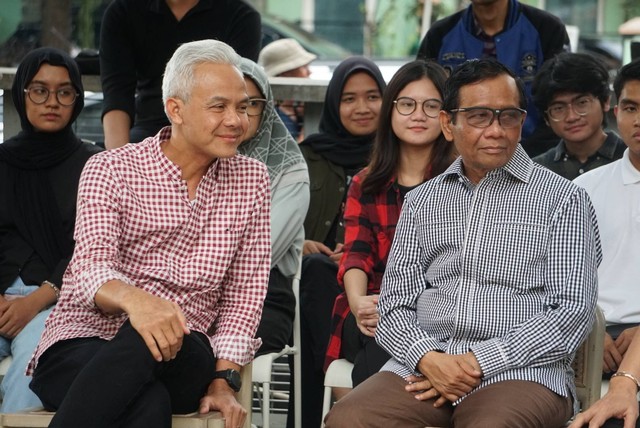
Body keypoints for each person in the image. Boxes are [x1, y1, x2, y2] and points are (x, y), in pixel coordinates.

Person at [324, 58, 601, 428]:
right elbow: (394, 304)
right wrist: (428, 358)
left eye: (508, 116)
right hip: (425, 365)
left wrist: (476, 362)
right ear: (448, 124)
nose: (496, 131)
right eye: (479, 117)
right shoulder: (423, 200)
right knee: (350, 419)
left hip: (521, 371)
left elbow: (571, 311)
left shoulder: (564, 199)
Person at [28, 40, 271, 428]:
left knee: (156, 336)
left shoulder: (252, 180)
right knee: (147, 403)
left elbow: (244, 297)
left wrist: (224, 381)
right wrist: (138, 303)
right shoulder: (110, 169)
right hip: (81, 343)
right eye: (219, 106)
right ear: (175, 109)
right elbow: (90, 266)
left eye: (243, 107)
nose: (236, 120)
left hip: (184, 356)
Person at [325, 60, 456, 389]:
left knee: (385, 349)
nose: (418, 115)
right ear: (391, 111)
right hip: (373, 308)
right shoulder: (366, 183)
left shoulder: (461, 181)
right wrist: (357, 303)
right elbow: (356, 253)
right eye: (407, 104)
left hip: (437, 312)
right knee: (379, 332)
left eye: (431, 106)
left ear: (447, 116)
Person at [0, 47, 103, 412]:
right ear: (21, 94)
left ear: (77, 99)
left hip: (60, 302)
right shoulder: (1, 161)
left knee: (33, 368)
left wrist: (38, 300)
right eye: (39, 90)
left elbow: (96, 249)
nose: (52, 102)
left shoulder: (96, 165)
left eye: (64, 91)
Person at [297, 56, 386, 428]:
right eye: (349, 98)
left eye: (372, 97)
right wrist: (298, 243)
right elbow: (279, 223)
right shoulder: (308, 156)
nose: (361, 108)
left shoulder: (400, 159)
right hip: (317, 277)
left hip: (378, 283)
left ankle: (338, 411)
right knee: (316, 269)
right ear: (334, 103)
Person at [99, 0, 261, 150]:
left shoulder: (240, 15)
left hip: (217, 125)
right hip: (149, 127)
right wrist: (118, 160)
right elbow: (117, 93)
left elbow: (240, 92)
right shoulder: (123, 11)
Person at [416, 0, 570, 156]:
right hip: (453, 156)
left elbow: (562, 102)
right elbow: (423, 99)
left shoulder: (547, 28)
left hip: (536, 155)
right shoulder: (440, 34)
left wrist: (523, 155)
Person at [572, 58, 640, 385]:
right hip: (590, 335)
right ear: (616, 113)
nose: (639, 120)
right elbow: (559, 279)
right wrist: (589, 333)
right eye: (631, 108)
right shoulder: (583, 190)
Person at [236, 57, 310, 356]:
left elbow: (259, 254)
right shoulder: (200, 160)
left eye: (251, 103)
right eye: (225, 102)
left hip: (263, 295)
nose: (238, 114)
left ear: (266, 108)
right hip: (189, 291)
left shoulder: (290, 172)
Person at [532, 52, 626, 180]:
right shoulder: (537, 171)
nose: (572, 117)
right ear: (546, 117)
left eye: (582, 103)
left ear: (606, 102)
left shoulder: (631, 158)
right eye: (558, 108)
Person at [258, 38, 317, 142]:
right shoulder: (272, 116)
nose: (309, 72)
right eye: (304, 67)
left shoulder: (296, 108)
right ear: (285, 73)